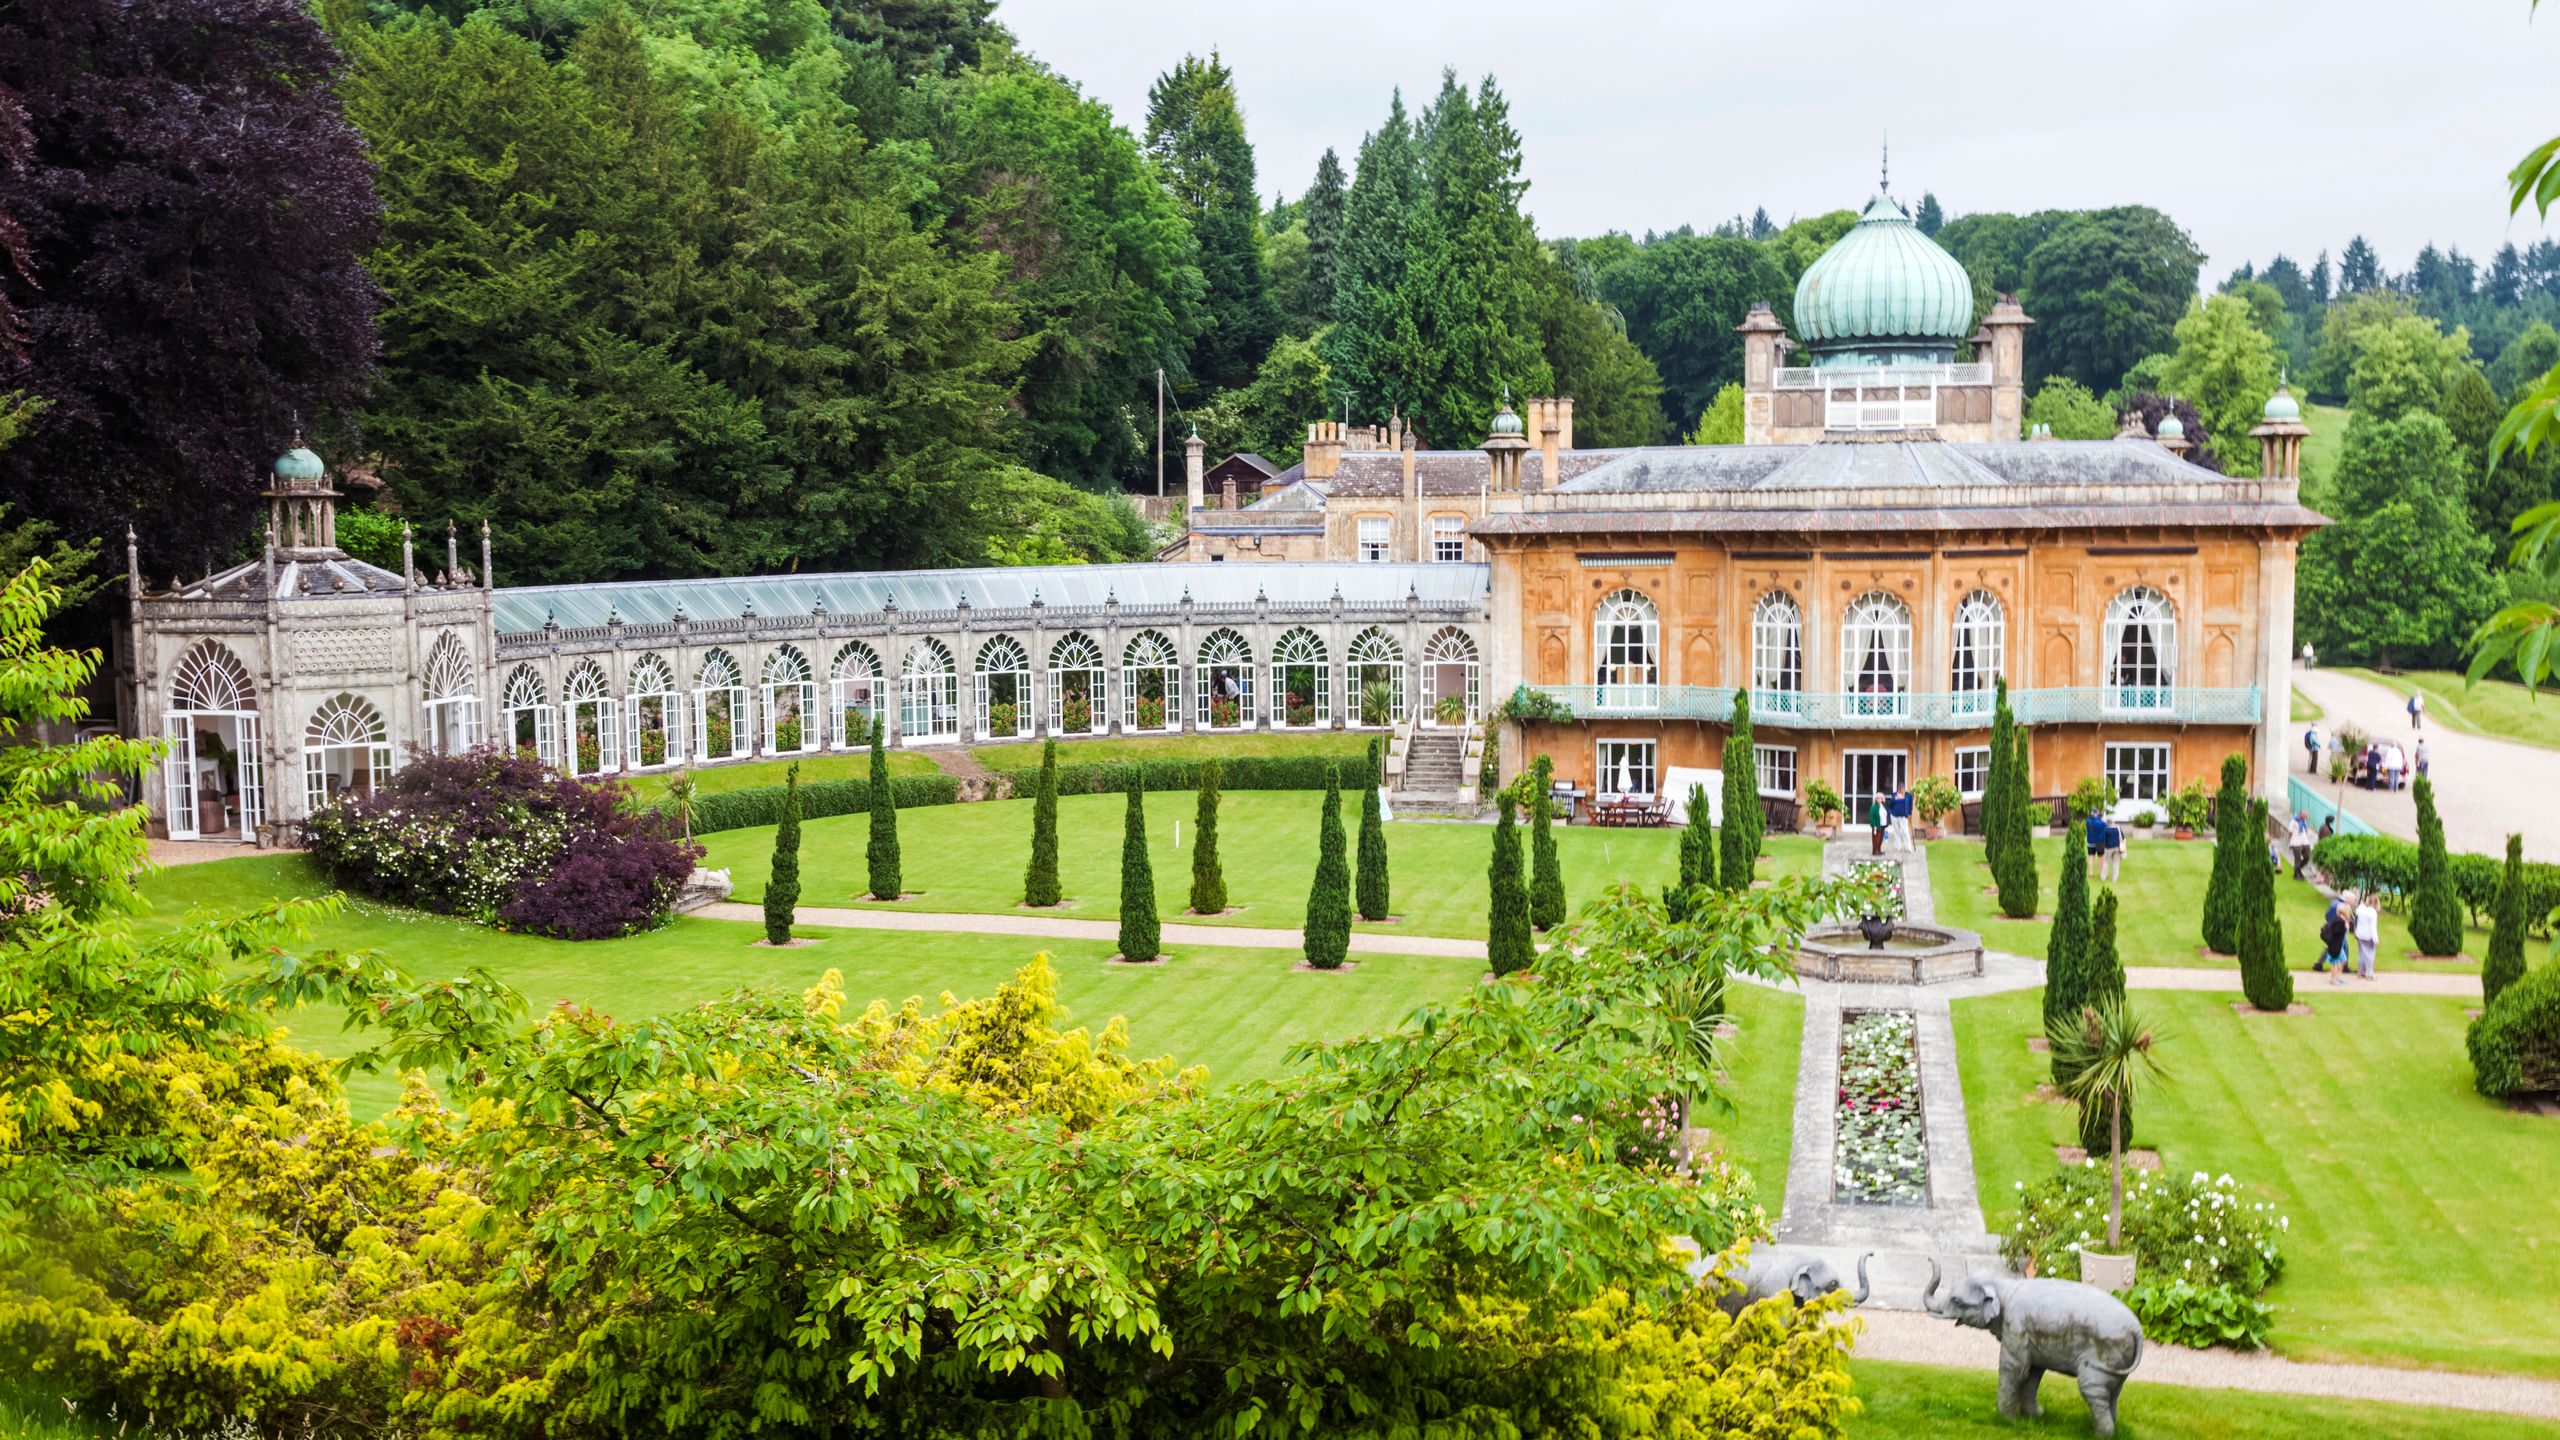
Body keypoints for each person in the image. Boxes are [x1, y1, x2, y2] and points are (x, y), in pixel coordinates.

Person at [2318, 889, 2353, 979]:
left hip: (2335, 932)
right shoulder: (2340, 906)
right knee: (2337, 952)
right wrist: (2343, 924)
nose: (2353, 902)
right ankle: (2337, 973)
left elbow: (2328, 916)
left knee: (2339, 951)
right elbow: (2333, 919)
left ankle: (2321, 965)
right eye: (2352, 900)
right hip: (2337, 934)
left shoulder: (2336, 903)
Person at [2353, 891, 2381, 981]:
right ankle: (2369, 974)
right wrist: (2376, 940)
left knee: (2361, 954)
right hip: (2367, 936)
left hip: (2359, 934)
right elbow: (2372, 928)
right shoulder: (2372, 913)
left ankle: (2361, 972)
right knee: (2370, 955)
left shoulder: (2360, 909)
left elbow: (2356, 920)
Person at [1887, 784, 1915, 853]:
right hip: (1894, 816)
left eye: (1902, 790)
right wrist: (1895, 798)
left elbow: (1910, 805)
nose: (1901, 791)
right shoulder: (1894, 795)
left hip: (1903, 816)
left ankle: (1908, 847)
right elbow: (1890, 804)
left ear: (1904, 789)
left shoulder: (1908, 795)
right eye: (1899, 790)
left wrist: (1909, 813)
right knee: (1896, 831)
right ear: (1897, 790)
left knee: (1905, 831)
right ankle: (1898, 846)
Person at [2288, 811, 2315, 879]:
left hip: (2304, 841)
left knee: (2307, 856)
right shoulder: (2293, 821)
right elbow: (2290, 832)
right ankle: (2297, 874)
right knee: (2298, 859)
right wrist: (2292, 841)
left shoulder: (2304, 821)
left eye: (2306, 816)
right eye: (2305, 816)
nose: (2306, 817)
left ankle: (2298, 869)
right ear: (2300, 815)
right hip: (2296, 842)